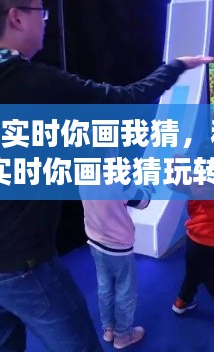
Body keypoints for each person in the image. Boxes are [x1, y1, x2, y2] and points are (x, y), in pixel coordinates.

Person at [0, 0, 214, 352]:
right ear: (16, 17)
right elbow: (127, 99)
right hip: (23, 265)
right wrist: (176, 66)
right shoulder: (33, 83)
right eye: (40, 11)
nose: (45, 21)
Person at [80, 149, 154, 349]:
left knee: (104, 287)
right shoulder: (119, 179)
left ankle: (109, 330)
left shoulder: (83, 172)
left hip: (95, 241)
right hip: (118, 246)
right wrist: (148, 186)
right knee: (125, 291)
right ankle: (123, 335)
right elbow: (143, 202)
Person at [170, 140, 214, 337]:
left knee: (193, 274)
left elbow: (174, 182)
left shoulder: (193, 181)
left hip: (191, 240)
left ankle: (182, 302)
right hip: (207, 246)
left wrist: (177, 164)